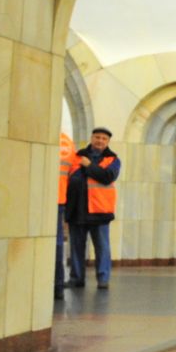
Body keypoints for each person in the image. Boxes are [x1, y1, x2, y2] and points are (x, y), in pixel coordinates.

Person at [63, 126, 121, 290]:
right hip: (77, 211)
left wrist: (89, 166)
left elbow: (107, 176)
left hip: (100, 211)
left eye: (104, 138)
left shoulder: (113, 159)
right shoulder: (77, 156)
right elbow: (69, 179)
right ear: (91, 138)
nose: (100, 141)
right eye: (97, 137)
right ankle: (76, 278)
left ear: (108, 141)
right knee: (76, 248)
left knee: (102, 247)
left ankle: (103, 279)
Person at [54, 130, 75, 300]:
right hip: (60, 198)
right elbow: (73, 174)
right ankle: (58, 286)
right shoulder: (66, 141)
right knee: (57, 244)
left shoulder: (40, 133)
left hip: (42, 198)